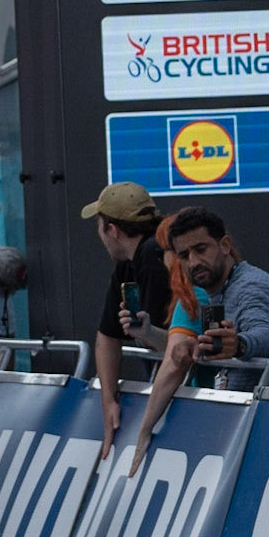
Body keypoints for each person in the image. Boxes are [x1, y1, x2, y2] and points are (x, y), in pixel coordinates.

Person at [127, 206, 269, 476]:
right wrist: (194, 350)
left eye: (201, 249)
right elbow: (216, 350)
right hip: (253, 432)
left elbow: (264, 333)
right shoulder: (215, 295)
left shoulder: (253, 286)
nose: (193, 262)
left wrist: (240, 344)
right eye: (184, 255)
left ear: (225, 245)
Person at [80, 182, 170, 461]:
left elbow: (176, 348)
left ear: (112, 230)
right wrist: (109, 401)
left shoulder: (153, 256)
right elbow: (107, 335)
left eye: (99, 224)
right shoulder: (129, 261)